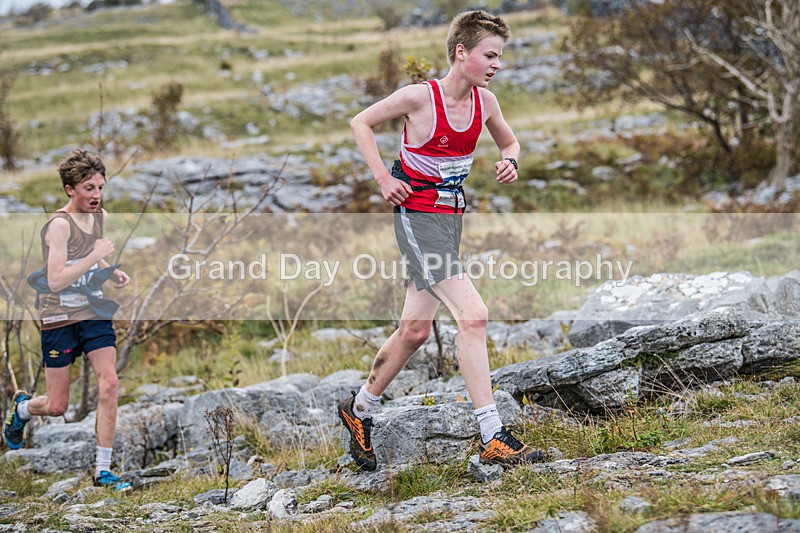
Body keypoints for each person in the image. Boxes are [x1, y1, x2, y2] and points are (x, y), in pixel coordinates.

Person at [338, 10, 545, 471]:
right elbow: (360, 122)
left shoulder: (485, 104)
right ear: (461, 52)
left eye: (499, 57)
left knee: (414, 330)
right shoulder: (418, 97)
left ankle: (359, 411)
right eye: (489, 55)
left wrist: (510, 161)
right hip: (416, 217)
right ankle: (492, 435)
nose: (496, 65)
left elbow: (510, 143)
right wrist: (381, 179)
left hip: (450, 220)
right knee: (474, 316)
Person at [3, 148, 132, 491]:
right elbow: (57, 278)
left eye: (101, 187)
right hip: (58, 314)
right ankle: (23, 410)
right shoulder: (58, 226)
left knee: (109, 383)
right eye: (89, 188)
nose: (96, 195)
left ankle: (103, 472)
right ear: (69, 189)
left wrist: (109, 270)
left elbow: (91, 256)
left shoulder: (97, 214)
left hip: (92, 310)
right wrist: (96, 255)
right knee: (58, 405)